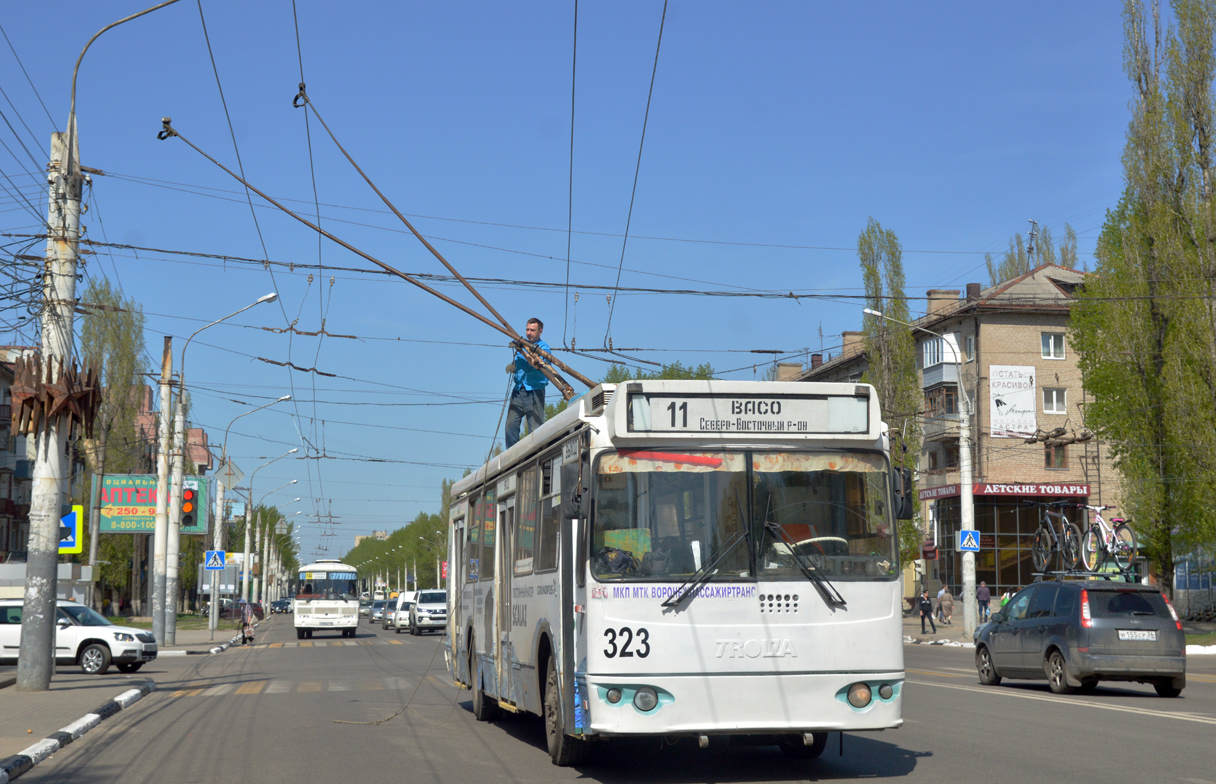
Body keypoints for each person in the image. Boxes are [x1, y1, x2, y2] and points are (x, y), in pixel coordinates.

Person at [504, 318, 550, 449]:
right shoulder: (522, 346)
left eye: (532, 330)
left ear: (540, 332)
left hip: (535, 391)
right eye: (527, 329)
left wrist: (522, 350)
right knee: (510, 426)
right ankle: (512, 456)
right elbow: (520, 363)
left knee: (535, 429)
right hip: (518, 391)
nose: (529, 333)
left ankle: (535, 456)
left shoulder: (543, 348)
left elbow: (535, 364)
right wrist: (512, 366)